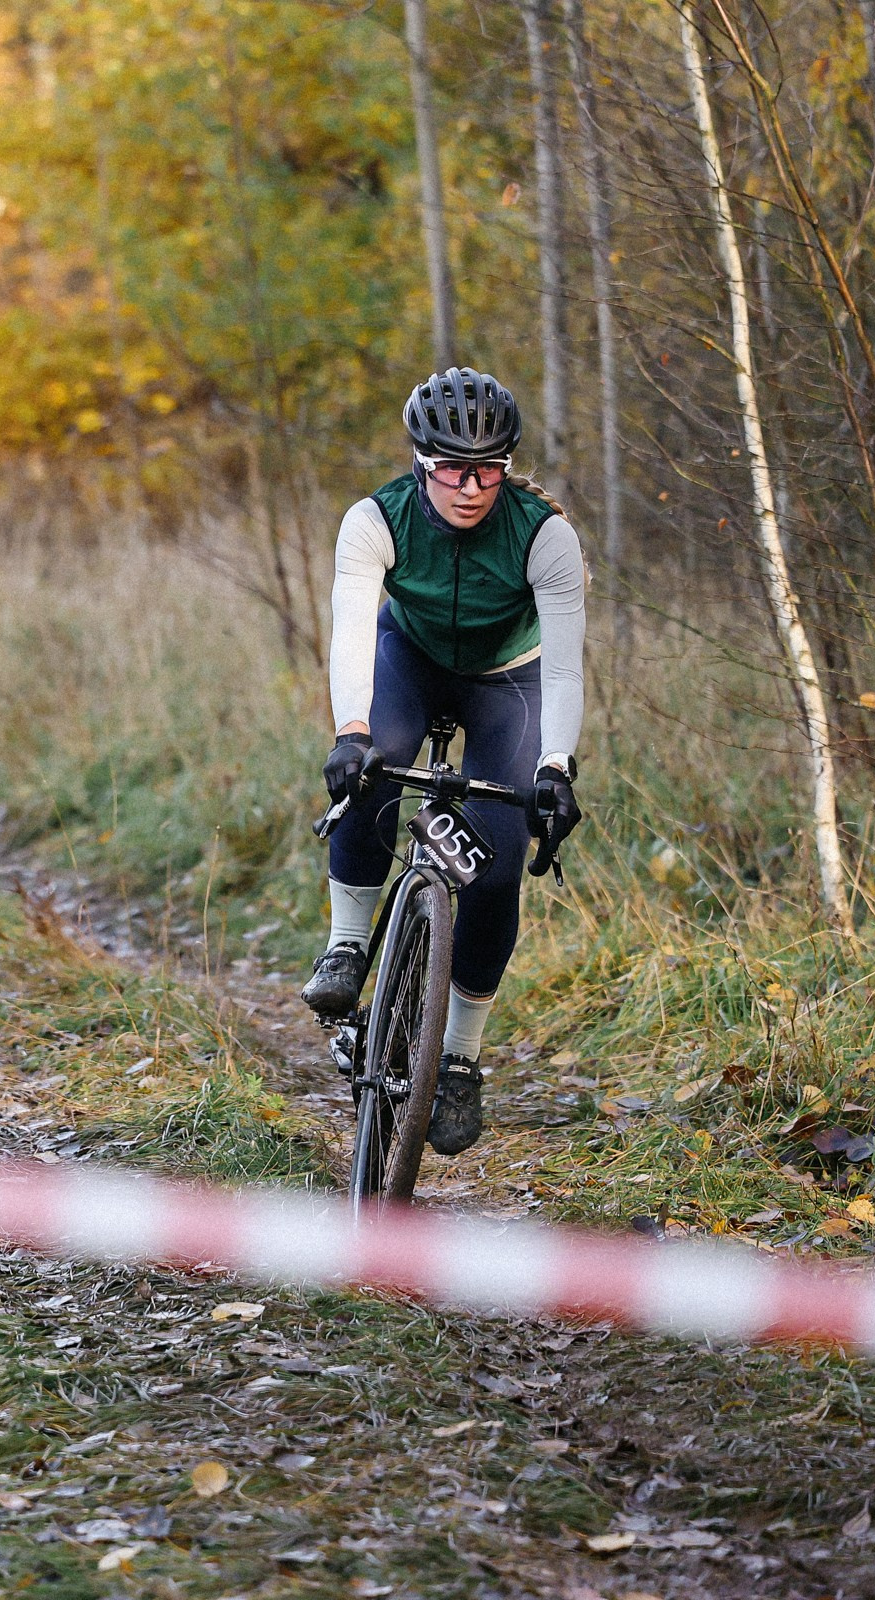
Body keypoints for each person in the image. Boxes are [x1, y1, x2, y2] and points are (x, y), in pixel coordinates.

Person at [298, 367, 586, 1157]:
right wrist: (351, 729)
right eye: (451, 469)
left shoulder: (543, 535)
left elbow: (563, 668)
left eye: (488, 469)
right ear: (421, 461)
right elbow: (354, 632)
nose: (470, 487)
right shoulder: (375, 521)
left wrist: (556, 766)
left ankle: (458, 1059)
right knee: (371, 771)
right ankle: (350, 943)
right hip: (412, 660)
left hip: (511, 683)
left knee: (496, 866)